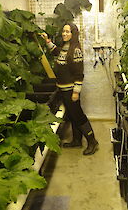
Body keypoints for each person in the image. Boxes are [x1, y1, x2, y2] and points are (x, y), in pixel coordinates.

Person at [39, 23, 99, 155]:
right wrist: (47, 41)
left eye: (68, 32)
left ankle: (92, 141)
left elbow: (79, 74)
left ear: (73, 34)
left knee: (79, 116)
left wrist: (76, 92)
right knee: (71, 116)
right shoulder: (66, 47)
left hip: (71, 90)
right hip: (63, 89)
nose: (64, 34)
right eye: (63, 31)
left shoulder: (75, 50)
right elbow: (56, 51)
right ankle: (77, 140)